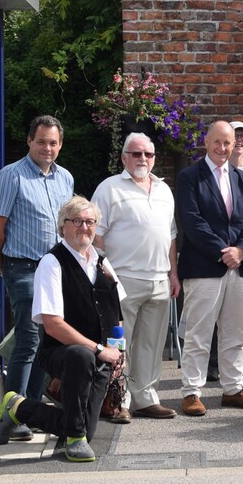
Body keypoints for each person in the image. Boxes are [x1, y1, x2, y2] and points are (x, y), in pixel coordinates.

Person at [0, 197, 122, 462]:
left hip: (100, 357)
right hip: (60, 354)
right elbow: (53, 324)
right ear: (63, 226)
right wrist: (98, 349)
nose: (84, 227)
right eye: (77, 221)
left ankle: (19, 406)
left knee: (87, 428)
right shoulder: (51, 263)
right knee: (80, 356)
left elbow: (116, 317)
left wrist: (120, 352)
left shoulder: (103, 263)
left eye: (89, 222)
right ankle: (74, 439)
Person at [0, 115, 74, 443]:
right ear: (29, 141)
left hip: (53, 270)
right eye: (41, 141)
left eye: (53, 142)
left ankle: (32, 409)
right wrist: (2, 265)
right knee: (28, 339)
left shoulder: (65, 178)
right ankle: (14, 411)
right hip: (21, 268)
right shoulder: (12, 176)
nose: (47, 148)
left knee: (48, 338)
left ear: (60, 145)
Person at [176, 120, 243, 416]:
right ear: (206, 141)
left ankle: (233, 388)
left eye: (228, 143)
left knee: (237, 332)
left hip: (239, 268)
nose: (222, 148)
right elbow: (191, 221)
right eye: (217, 142)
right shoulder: (190, 177)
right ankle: (191, 391)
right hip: (204, 266)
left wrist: (240, 250)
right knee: (199, 332)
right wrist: (221, 251)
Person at [90, 133, 180, 421]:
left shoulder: (164, 190)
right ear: (124, 157)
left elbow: (171, 236)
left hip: (159, 278)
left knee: (151, 344)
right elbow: (95, 236)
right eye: (136, 154)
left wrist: (173, 274)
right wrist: (106, 275)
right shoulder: (109, 188)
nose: (143, 159)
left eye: (148, 155)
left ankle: (146, 398)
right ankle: (118, 400)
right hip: (122, 278)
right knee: (119, 343)